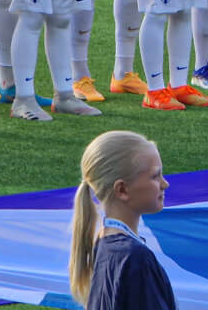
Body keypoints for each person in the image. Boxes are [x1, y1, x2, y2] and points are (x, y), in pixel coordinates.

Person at [69, 130, 177, 310]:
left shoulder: (103, 241)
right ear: (122, 190)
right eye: (155, 176)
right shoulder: (136, 258)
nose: (165, 184)